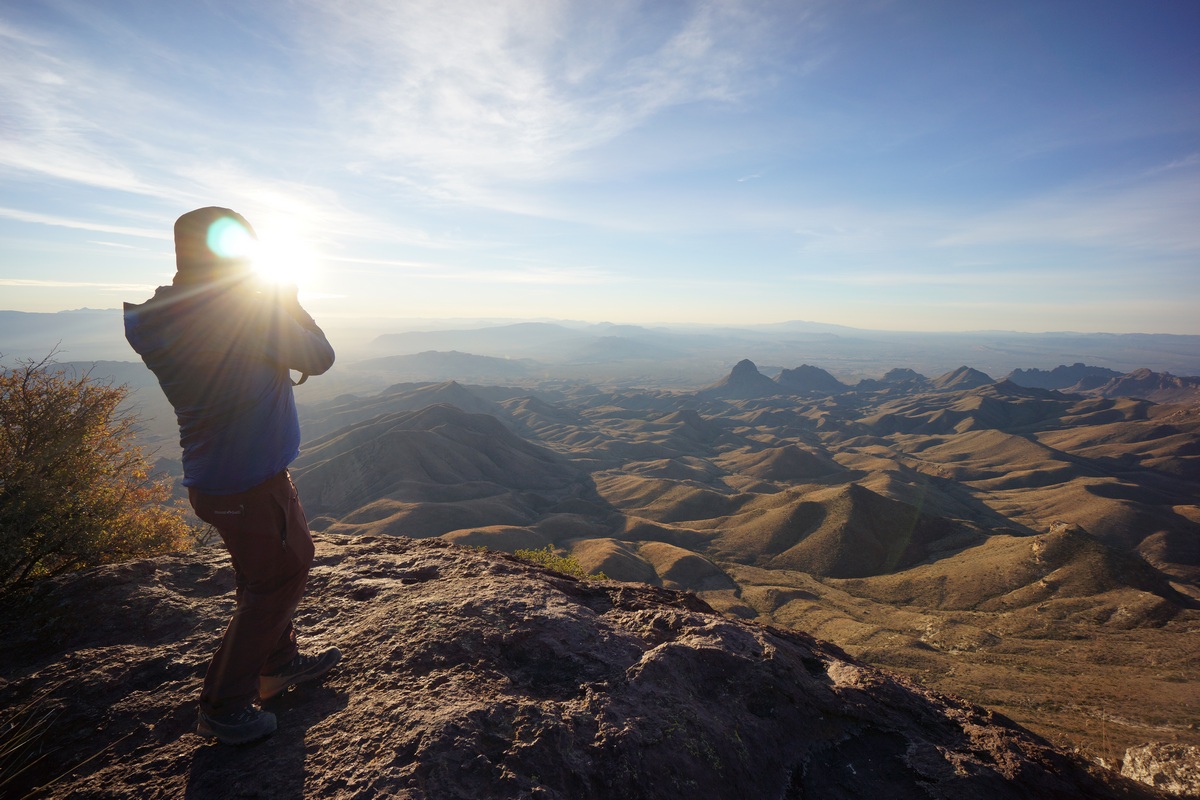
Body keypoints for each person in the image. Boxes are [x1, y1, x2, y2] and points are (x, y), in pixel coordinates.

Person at [124, 207, 339, 745]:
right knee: (279, 578)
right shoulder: (240, 313)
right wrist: (286, 300)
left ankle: (280, 661)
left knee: (265, 573)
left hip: (216, 476)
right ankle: (223, 705)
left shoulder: (161, 314)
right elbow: (320, 355)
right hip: (249, 479)